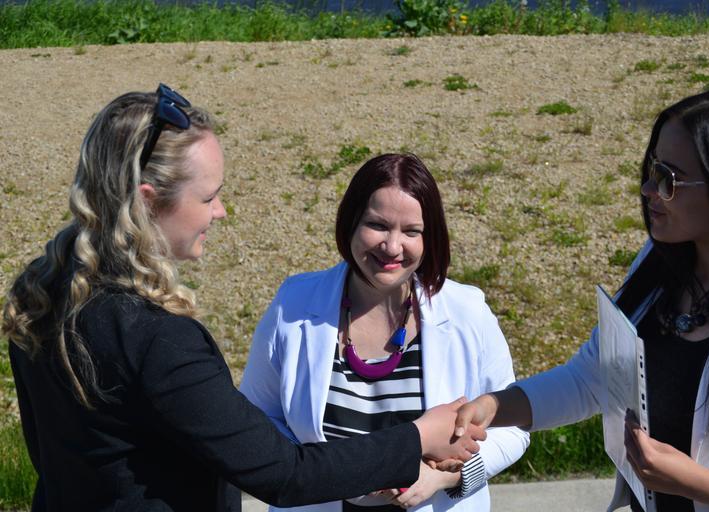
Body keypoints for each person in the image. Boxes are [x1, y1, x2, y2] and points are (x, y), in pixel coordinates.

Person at [1, 85, 485, 512]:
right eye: (208, 196)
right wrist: (418, 436)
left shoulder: (43, 292)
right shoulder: (159, 341)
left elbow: (51, 453)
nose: (221, 211)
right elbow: (285, 474)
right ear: (148, 201)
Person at [454, 88, 709, 511]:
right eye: (652, 168)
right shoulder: (657, 265)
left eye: (669, 179)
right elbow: (593, 379)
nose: (648, 188)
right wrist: (495, 406)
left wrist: (695, 483)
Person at [240, 153, 530, 512]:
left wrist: (444, 478)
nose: (392, 247)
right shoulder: (294, 303)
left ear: (430, 237)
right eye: (377, 225)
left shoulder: (468, 311)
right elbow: (257, 419)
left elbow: (511, 427)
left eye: (411, 231)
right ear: (350, 222)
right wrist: (324, 473)